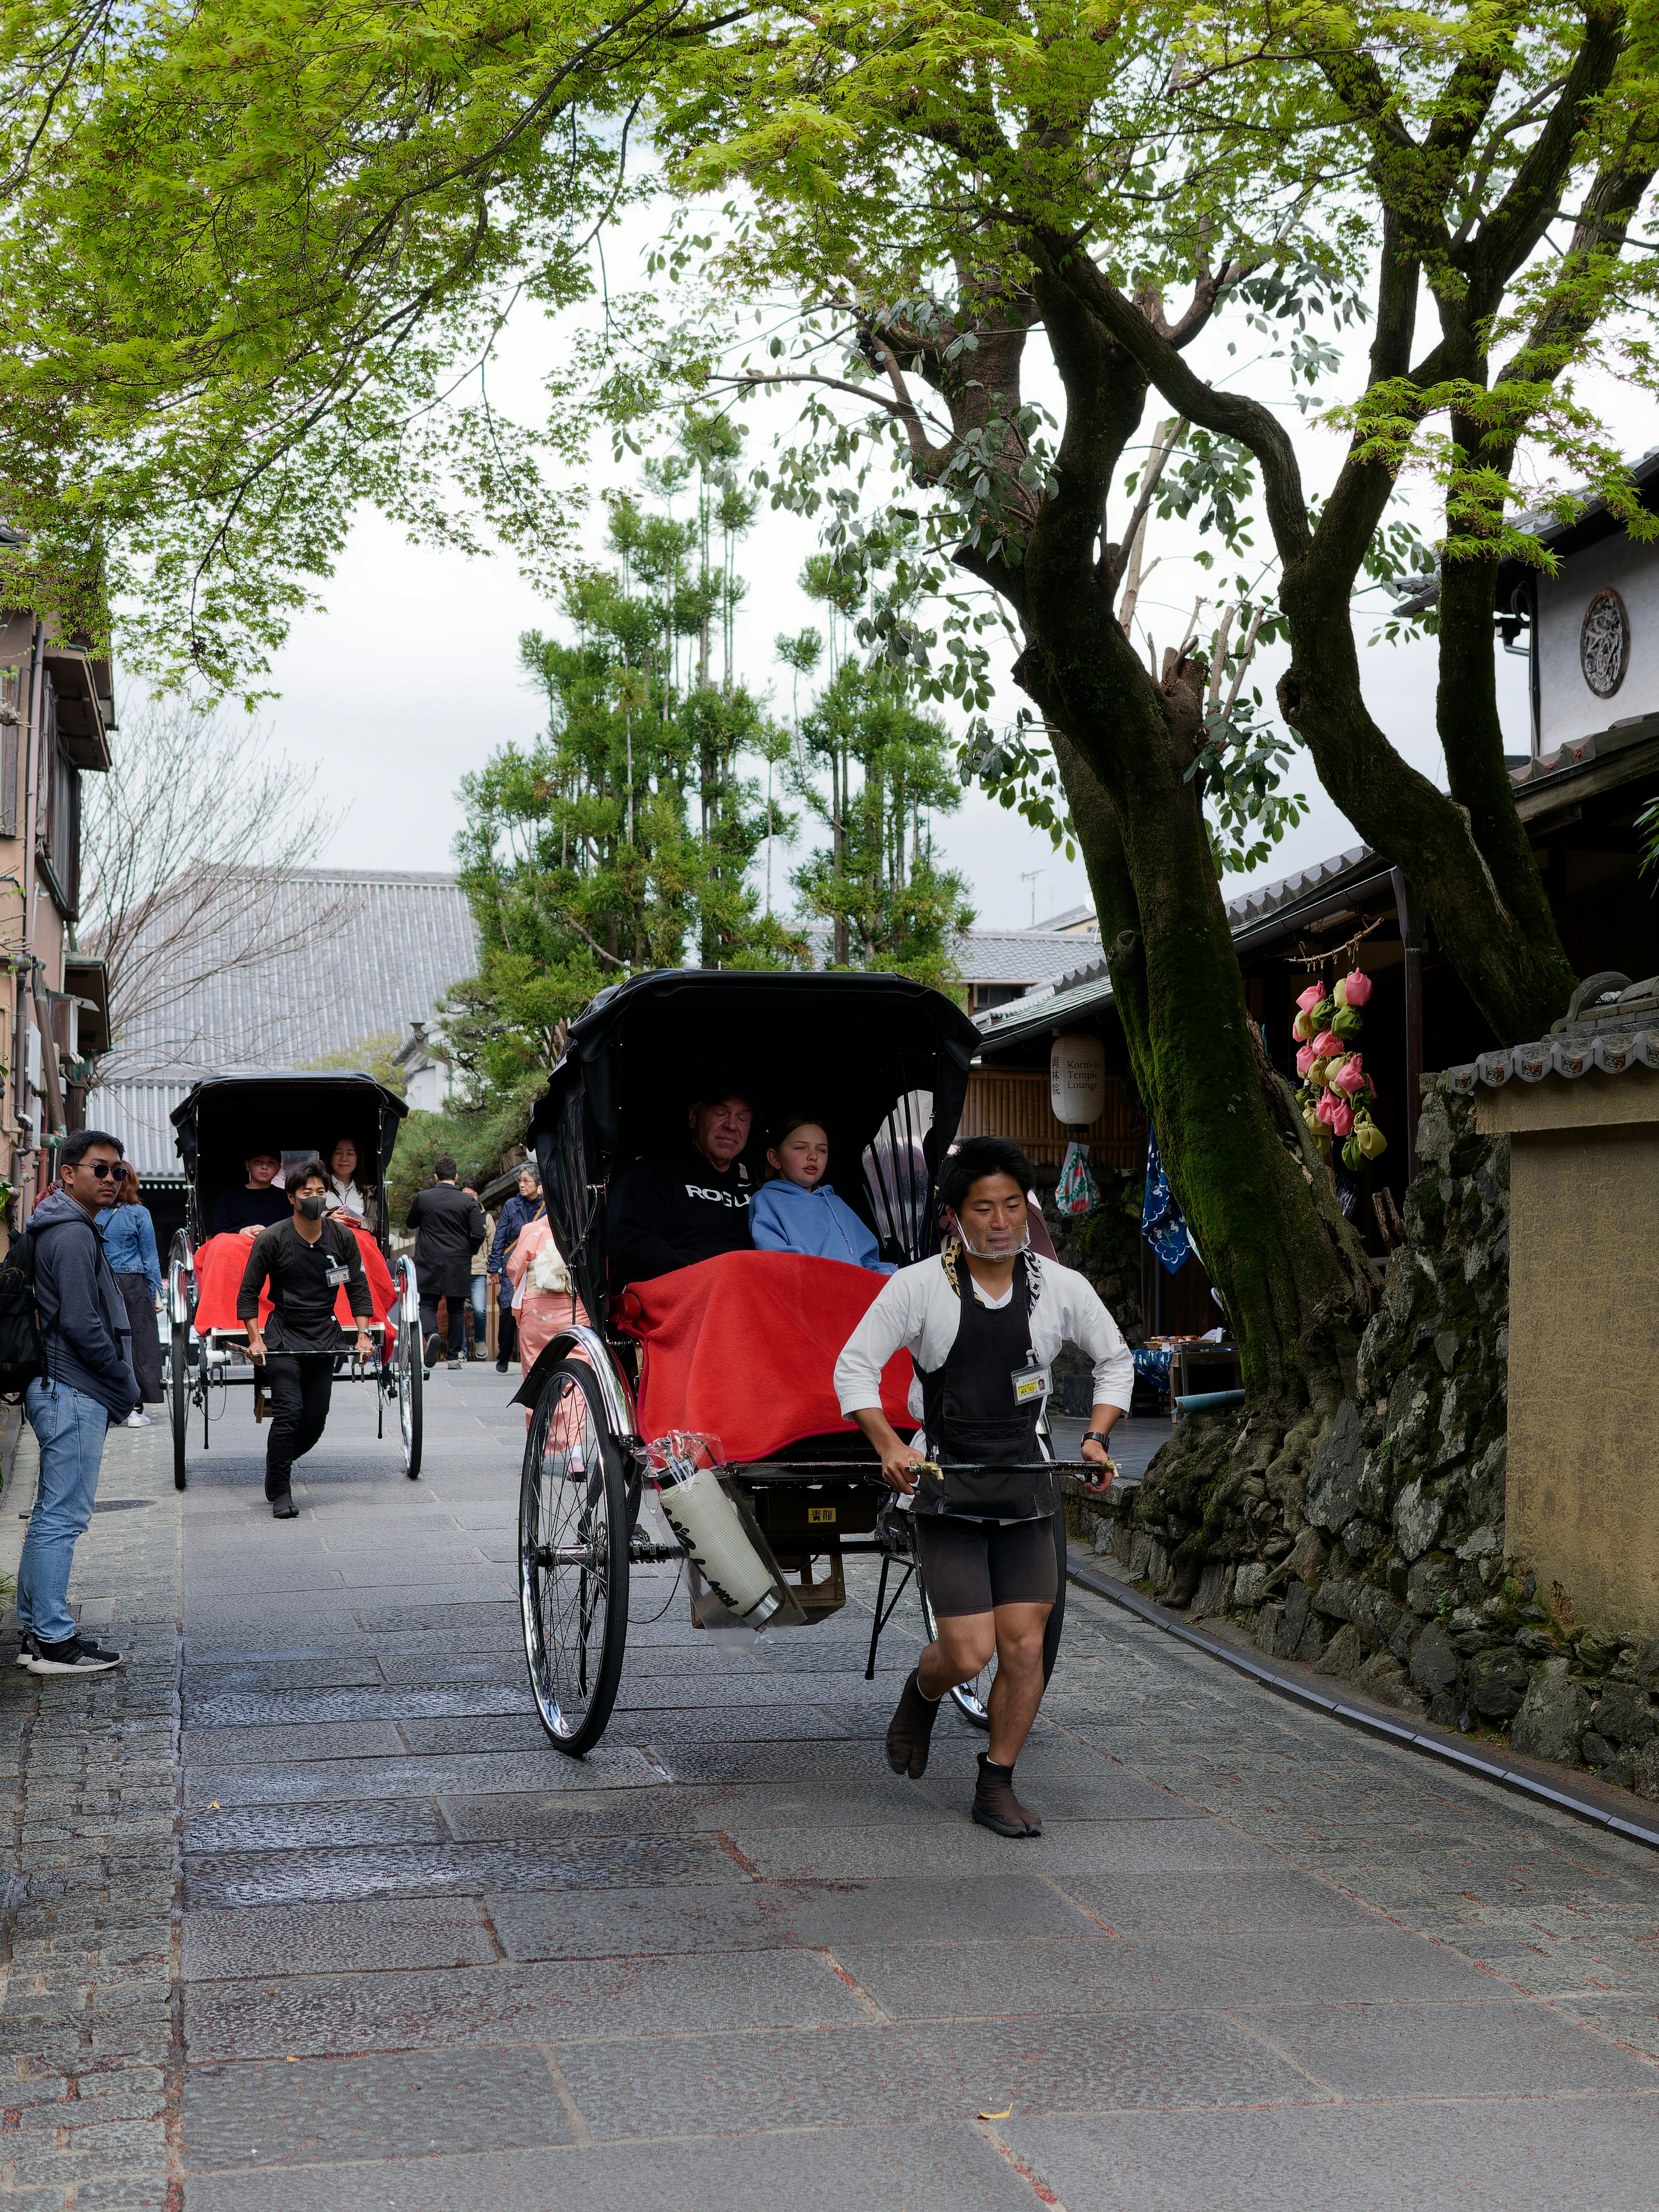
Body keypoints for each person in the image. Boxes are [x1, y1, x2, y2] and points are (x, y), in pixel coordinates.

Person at [834, 1135, 1133, 1840]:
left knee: (1023, 1648)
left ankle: (995, 1781)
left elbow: (1114, 1362)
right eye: (982, 1208)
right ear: (953, 1215)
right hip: (946, 1484)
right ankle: (921, 1692)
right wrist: (888, 1447)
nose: (1000, 1222)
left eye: (1012, 1206)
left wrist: (1096, 1435)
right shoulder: (917, 1287)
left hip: (1025, 1484)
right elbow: (854, 1368)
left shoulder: (1059, 1287)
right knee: (967, 1653)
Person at [16, 1130, 138, 1674]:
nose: (111, 1178)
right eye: (99, 1168)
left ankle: (36, 1631)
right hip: (72, 1387)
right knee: (63, 1517)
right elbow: (82, 1321)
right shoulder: (71, 1233)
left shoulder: (65, 1225)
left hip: (60, 1386)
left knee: (50, 1514)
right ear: (67, 1174)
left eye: (118, 1170)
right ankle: (52, 1639)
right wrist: (121, 1377)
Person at [238, 1158, 374, 1518]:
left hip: (324, 1335)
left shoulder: (342, 1238)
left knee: (315, 1421)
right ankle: (282, 1490)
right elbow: (249, 1293)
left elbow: (358, 1288)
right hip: (284, 1335)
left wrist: (363, 1335)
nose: (315, 1198)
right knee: (289, 1412)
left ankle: (276, 1462)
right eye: (307, 1192)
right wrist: (255, 1339)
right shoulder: (273, 1238)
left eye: (320, 1191)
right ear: (291, 1197)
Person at [607, 1087, 756, 1286]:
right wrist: (702, 1270)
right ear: (693, 1116)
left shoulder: (757, 1193)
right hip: (678, 1286)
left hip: (748, 1287)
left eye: (742, 1119)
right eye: (721, 1114)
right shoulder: (652, 1174)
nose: (732, 1125)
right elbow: (630, 1243)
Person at [748, 1112, 895, 1274]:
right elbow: (780, 1262)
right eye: (800, 1148)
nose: (813, 1156)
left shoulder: (837, 1204)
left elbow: (868, 1260)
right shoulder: (767, 1200)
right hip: (810, 1285)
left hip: (857, 1286)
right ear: (775, 1159)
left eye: (821, 1150)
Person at [407, 1156, 488, 1370]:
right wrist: (469, 1251)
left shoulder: (424, 1198)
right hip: (458, 1260)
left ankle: (431, 1334)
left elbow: (410, 1223)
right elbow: (479, 1233)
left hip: (428, 1259)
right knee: (456, 1308)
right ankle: (453, 1357)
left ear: (436, 1177)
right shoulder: (468, 1202)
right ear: (456, 1177)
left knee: (427, 1304)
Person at [505, 1211, 587, 1411]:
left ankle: (539, 1428)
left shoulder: (533, 1230)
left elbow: (515, 1269)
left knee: (537, 1371)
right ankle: (573, 1431)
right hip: (577, 1306)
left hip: (538, 1308)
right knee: (577, 1372)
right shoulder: (587, 1230)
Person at [102, 1165, 164, 1427]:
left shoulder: (95, 1212)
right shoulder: (139, 1213)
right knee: (138, 1342)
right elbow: (149, 1257)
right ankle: (136, 1410)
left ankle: (106, 1406)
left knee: (105, 1340)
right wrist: (156, 1292)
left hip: (101, 1281)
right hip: (132, 1284)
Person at [487, 1164, 544, 1374]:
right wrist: (494, 1267)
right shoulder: (512, 1205)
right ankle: (504, 1354)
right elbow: (500, 1236)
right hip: (513, 1263)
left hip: (539, 1263)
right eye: (520, 1181)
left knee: (536, 1307)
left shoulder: (547, 1205)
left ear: (538, 1183)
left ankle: (537, 1356)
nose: (521, 1185)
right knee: (509, 1308)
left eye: (526, 1181)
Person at [213, 1151, 290, 1239]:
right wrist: (240, 1232)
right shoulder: (229, 1197)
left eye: (271, 1163)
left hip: (274, 1245)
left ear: (279, 1168)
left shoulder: (286, 1197)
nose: (265, 1167)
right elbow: (219, 1232)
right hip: (236, 1245)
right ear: (248, 1165)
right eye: (258, 1161)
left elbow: (292, 1231)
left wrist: (269, 1233)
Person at [461, 1179, 490, 1361]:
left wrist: (492, 1268)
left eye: (472, 1196)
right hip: (459, 1269)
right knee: (457, 1311)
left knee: (479, 1310)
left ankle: (479, 1340)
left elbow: (493, 1245)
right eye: (465, 1196)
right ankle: (460, 1349)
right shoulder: (455, 1216)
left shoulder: (486, 1218)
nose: (469, 1199)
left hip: (479, 1270)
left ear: (477, 1197)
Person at [324, 1137, 370, 1228]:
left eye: (350, 1154)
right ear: (331, 1156)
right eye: (338, 1153)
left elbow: (376, 1224)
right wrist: (328, 1218)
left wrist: (359, 1221)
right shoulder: (320, 1187)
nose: (344, 1159)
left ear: (358, 1160)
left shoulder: (369, 1192)